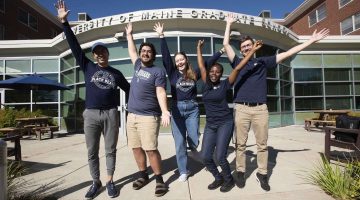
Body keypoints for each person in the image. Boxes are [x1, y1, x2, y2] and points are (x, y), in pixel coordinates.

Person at [223, 13, 330, 191]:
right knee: (240, 144)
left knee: (262, 144)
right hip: (241, 108)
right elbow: (226, 44)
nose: (247, 48)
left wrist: (310, 41)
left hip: (260, 109)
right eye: (243, 47)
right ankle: (240, 171)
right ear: (241, 50)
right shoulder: (237, 63)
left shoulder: (264, 62)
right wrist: (228, 24)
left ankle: (262, 174)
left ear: (254, 46)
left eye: (249, 45)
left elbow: (288, 53)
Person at [55, 0, 130, 199]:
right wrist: (65, 23)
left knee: (110, 150)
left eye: (102, 52)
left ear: (107, 53)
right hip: (91, 113)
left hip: (111, 113)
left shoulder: (116, 73)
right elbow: (75, 47)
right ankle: (95, 182)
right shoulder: (88, 67)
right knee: (91, 151)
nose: (99, 55)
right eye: (96, 53)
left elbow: (130, 90)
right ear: (94, 56)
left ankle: (110, 181)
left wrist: (133, 108)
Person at [197, 39, 262, 192]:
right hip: (211, 124)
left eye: (217, 72)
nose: (214, 73)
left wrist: (252, 51)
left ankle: (229, 180)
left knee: (220, 157)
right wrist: (198, 48)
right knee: (205, 157)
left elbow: (238, 68)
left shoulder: (226, 84)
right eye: (212, 71)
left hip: (225, 123)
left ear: (221, 74)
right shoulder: (206, 83)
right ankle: (218, 178)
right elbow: (201, 65)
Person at [125, 22, 171, 197]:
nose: (145, 53)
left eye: (148, 51)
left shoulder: (157, 71)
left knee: (150, 149)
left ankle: (159, 180)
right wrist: (130, 35)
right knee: (136, 148)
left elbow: (160, 92)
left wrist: (165, 111)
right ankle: (143, 175)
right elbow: (131, 51)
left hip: (149, 117)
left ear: (153, 55)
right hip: (132, 116)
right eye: (143, 51)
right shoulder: (137, 65)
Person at [154, 22, 201, 182]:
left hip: (193, 108)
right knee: (179, 142)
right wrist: (162, 36)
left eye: (182, 59)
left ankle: (193, 147)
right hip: (177, 110)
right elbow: (166, 57)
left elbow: (205, 64)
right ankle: (183, 170)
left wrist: (220, 51)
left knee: (194, 136)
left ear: (186, 60)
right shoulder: (173, 74)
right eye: (177, 61)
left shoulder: (194, 73)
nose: (180, 62)